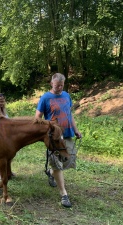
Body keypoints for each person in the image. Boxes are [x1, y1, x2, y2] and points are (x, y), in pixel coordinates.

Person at [35, 72, 82, 208]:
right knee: (56, 164)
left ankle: (50, 172)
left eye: (61, 85)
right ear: (51, 84)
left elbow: (69, 114)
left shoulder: (66, 95)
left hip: (67, 133)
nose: (59, 88)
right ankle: (64, 194)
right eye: (57, 86)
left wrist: (76, 130)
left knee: (69, 159)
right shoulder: (45, 98)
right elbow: (37, 118)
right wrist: (48, 129)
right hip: (54, 137)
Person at [0, 93, 15, 180]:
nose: (1, 102)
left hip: (5, 134)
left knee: (9, 154)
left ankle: (9, 171)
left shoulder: (3, 109)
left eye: (3, 101)